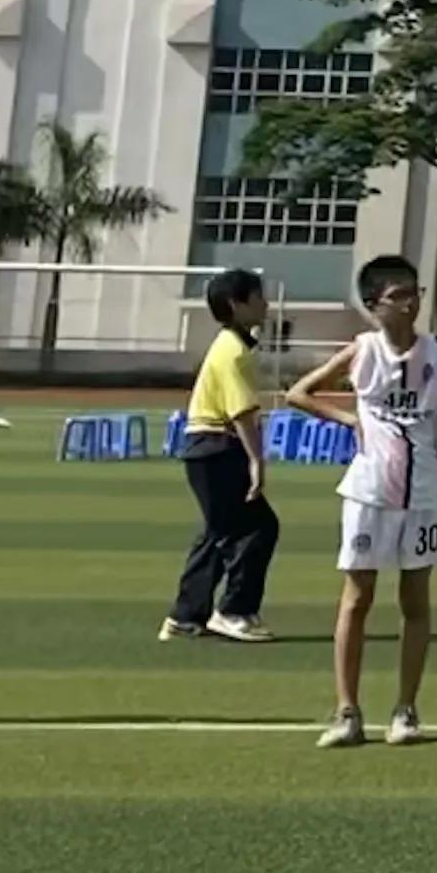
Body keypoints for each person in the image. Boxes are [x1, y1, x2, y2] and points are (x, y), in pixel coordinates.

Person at [283, 254, 437, 748]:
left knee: (415, 601)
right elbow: (298, 393)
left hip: (423, 494)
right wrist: (349, 420)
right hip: (369, 490)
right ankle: (347, 711)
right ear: (374, 305)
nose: (410, 303)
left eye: (414, 292)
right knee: (357, 599)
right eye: (399, 295)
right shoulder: (362, 350)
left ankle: (405, 711)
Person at [161, 268, 281, 644]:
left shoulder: (233, 345)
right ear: (236, 304)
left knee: (219, 531)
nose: (265, 304)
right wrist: (256, 461)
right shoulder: (233, 351)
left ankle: (185, 616)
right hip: (217, 446)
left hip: (205, 447)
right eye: (258, 297)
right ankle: (234, 612)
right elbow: (241, 411)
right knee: (257, 528)